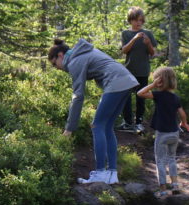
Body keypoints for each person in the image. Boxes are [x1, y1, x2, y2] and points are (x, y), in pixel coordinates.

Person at [49, 38, 139, 184]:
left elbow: (78, 96)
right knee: (107, 127)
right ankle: (111, 174)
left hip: (116, 83)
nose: (56, 67)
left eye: (54, 64)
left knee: (97, 125)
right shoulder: (84, 52)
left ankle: (100, 173)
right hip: (126, 81)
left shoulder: (74, 61)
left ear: (60, 55)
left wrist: (69, 128)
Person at [137, 66, 189, 197]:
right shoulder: (175, 97)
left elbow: (140, 93)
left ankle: (163, 189)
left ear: (159, 81)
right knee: (171, 158)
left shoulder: (158, 95)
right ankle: (175, 184)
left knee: (160, 161)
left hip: (162, 134)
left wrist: (152, 85)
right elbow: (182, 113)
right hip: (174, 133)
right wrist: (184, 123)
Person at [118, 7, 157, 132]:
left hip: (143, 70)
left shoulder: (148, 33)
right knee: (125, 96)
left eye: (140, 20)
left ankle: (139, 122)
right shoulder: (125, 33)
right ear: (130, 20)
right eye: (135, 20)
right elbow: (124, 51)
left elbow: (152, 53)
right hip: (128, 70)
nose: (138, 23)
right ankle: (128, 123)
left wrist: (148, 44)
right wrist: (134, 39)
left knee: (141, 97)